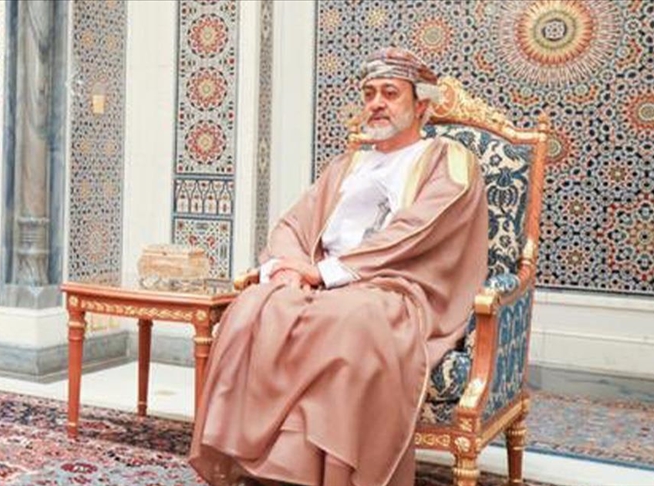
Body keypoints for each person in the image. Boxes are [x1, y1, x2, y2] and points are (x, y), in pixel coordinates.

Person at [189, 47, 488, 486]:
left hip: (394, 285)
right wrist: (289, 268)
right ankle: (262, 465)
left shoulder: (447, 159)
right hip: (323, 281)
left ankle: (330, 474)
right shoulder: (348, 164)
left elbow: (419, 229)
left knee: (352, 320)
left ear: (421, 105)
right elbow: (294, 223)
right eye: (369, 94)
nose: (376, 103)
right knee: (252, 306)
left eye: (390, 93)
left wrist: (327, 273)